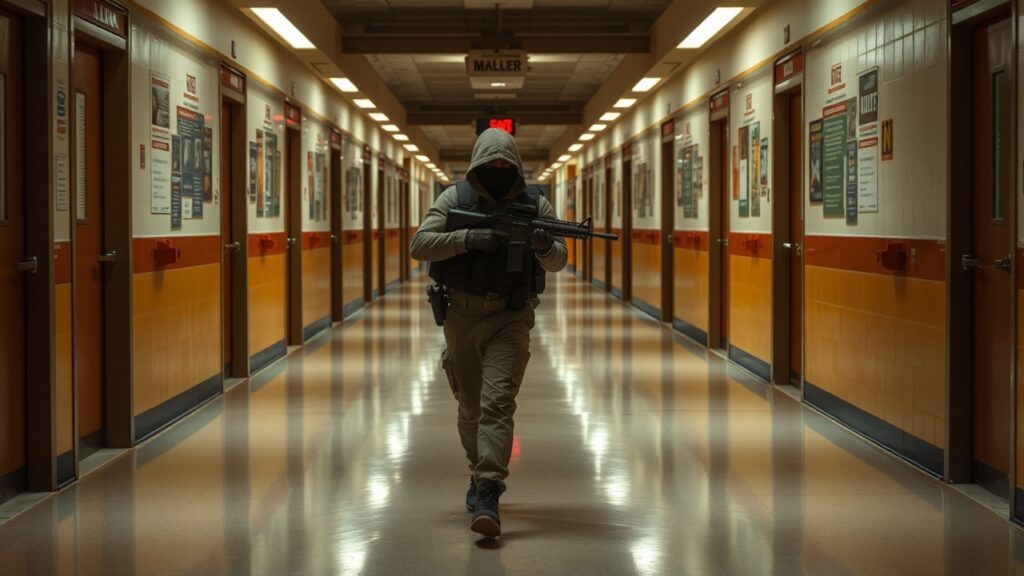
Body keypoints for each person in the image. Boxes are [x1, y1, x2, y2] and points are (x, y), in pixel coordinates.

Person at [411, 128, 567, 538]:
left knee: (498, 403)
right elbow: (420, 244)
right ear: (479, 164)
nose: (498, 170)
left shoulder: (536, 203)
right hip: (461, 316)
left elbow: (558, 261)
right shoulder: (455, 199)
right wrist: (467, 238)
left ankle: (488, 489)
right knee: (470, 407)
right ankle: (477, 470)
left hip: (510, 317)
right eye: (491, 164)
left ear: (515, 165)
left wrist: (544, 246)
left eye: (505, 165)